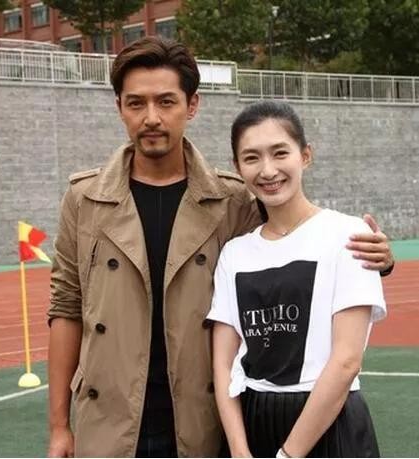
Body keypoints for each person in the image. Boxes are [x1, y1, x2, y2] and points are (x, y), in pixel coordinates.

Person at [47, 37, 394, 458]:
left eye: (166, 102)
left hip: (202, 418)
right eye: (136, 103)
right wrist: (59, 426)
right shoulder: (84, 199)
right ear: (119, 106)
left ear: (192, 105)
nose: (151, 117)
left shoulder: (232, 200)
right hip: (109, 417)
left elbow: (290, 241)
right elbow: (66, 307)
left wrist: (378, 258)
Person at [208, 100, 387, 458]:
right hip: (254, 420)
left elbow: (346, 360)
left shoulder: (348, 235)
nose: (268, 170)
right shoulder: (234, 253)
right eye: (252, 157)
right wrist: (239, 450)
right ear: (237, 167)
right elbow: (223, 364)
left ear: (305, 156)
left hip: (331, 421)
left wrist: (289, 454)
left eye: (280, 153)